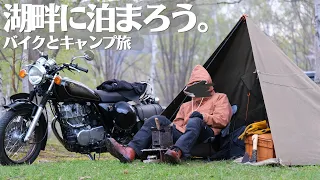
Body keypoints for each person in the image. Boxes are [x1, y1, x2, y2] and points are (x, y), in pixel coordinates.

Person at [105, 65, 232, 164]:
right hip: (184, 134)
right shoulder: (186, 105)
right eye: (193, 86)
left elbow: (223, 119)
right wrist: (169, 129)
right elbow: (177, 124)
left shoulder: (219, 98)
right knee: (157, 119)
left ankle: (177, 152)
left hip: (205, 132)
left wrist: (203, 116)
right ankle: (129, 152)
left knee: (195, 119)